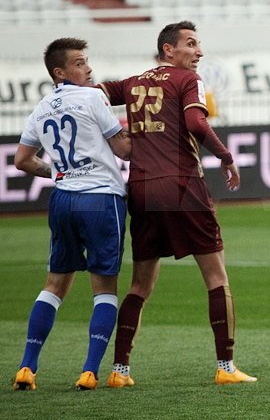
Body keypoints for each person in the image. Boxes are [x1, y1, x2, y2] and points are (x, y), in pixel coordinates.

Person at [99, 21, 256, 386]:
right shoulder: (187, 80)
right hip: (182, 186)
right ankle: (226, 368)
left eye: (199, 45)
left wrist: (115, 133)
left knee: (140, 285)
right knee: (216, 276)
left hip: (140, 188)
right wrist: (226, 156)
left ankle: (119, 371)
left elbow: (91, 93)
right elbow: (196, 124)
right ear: (168, 50)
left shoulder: (132, 82)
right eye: (191, 44)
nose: (198, 52)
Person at [13, 38, 131, 391]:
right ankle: (90, 370)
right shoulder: (93, 97)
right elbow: (123, 148)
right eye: (80, 63)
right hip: (100, 199)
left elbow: (22, 160)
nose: (89, 68)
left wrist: (56, 173)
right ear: (59, 71)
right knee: (104, 289)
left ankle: (27, 367)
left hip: (63, 200)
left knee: (54, 285)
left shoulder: (41, 107)